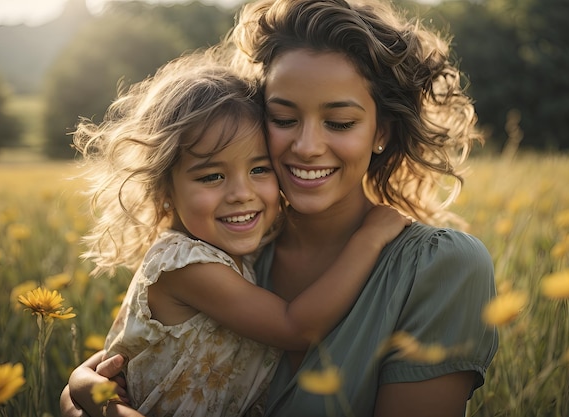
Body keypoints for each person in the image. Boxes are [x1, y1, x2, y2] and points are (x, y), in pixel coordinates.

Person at [61, 0, 498, 416]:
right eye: (284, 119)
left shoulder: (440, 267)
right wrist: (82, 394)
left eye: (340, 122)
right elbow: (142, 366)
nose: (307, 147)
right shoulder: (235, 247)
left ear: (380, 131)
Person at [66, 51, 410, 417]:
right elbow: (295, 327)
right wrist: (369, 240)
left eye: (260, 169)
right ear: (165, 191)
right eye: (212, 176)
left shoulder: (238, 254)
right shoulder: (185, 264)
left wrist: (80, 383)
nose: (241, 193)